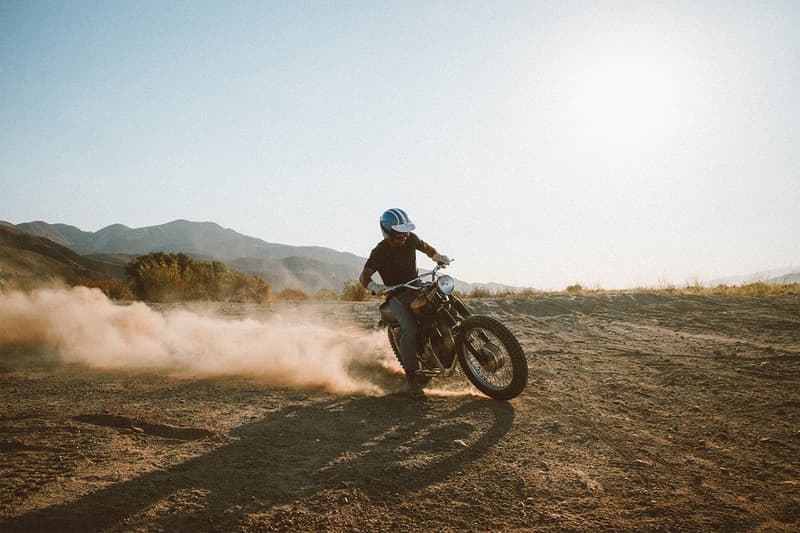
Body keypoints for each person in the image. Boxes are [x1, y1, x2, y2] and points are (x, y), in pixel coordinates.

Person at [359, 208, 451, 396]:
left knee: (444, 301)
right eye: (398, 236)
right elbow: (364, 276)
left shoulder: (410, 239)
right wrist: (374, 286)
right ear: (387, 233)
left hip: (417, 286)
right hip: (397, 295)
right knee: (410, 329)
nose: (403, 239)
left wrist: (436, 256)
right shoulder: (380, 251)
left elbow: (426, 247)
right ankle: (412, 378)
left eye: (405, 234)